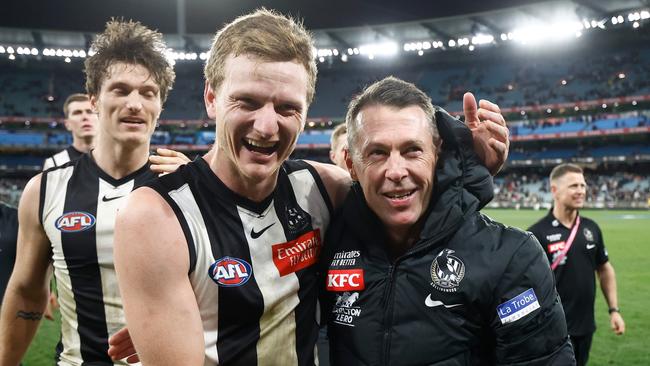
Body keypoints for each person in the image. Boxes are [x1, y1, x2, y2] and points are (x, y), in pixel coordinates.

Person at [111, 9, 510, 366]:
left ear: (306, 111)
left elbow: (411, 219)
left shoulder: (322, 189)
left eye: (288, 108)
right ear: (212, 98)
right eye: (247, 102)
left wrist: (470, 168)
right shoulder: (156, 218)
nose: (267, 126)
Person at [319, 76, 575, 365]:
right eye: (377, 153)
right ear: (351, 165)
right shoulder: (327, 240)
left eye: (412, 150)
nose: (396, 171)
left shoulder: (511, 257)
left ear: (436, 154)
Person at [0, 18, 175, 365]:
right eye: (121, 90)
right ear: (95, 100)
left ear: (160, 105)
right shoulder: (45, 189)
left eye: (148, 93)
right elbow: (26, 292)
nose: (135, 104)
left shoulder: (186, 185)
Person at [528, 163, 625, 366]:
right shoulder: (536, 234)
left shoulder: (591, 228)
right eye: (573, 186)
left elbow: (604, 268)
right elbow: (528, 286)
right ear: (554, 190)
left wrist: (613, 310)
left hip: (586, 327)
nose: (581, 191)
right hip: (552, 330)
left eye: (582, 185)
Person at [43, 93, 98, 170]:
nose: (85, 117)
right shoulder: (55, 164)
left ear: (99, 118)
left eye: (90, 112)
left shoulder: (115, 160)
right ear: (67, 124)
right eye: (77, 113)